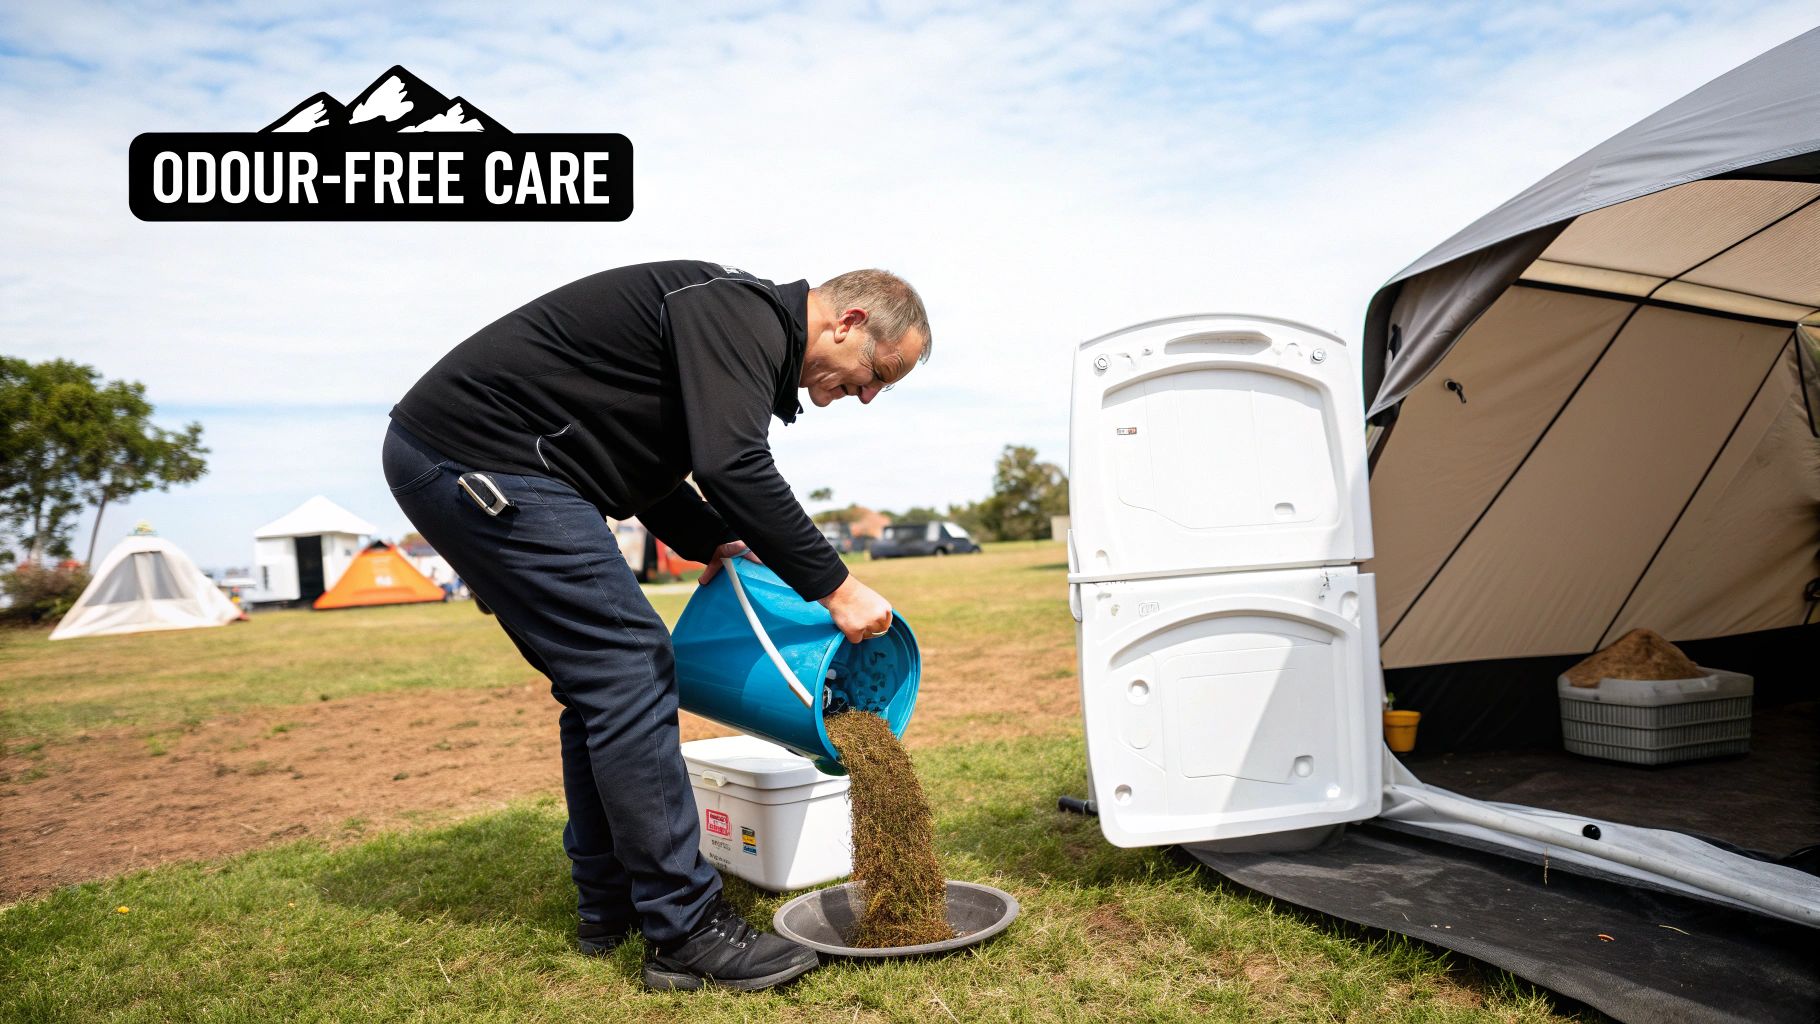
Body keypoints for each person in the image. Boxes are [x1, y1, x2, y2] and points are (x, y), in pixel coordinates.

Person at [381, 261, 931, 991]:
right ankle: (688, 933)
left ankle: (612, 908)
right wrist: (836, 587)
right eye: (876, 375)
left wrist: (712, 541)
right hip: (483, 459)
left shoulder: (732, 328)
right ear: (848, 323)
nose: (865, 396)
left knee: (601, 687)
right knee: (632, 668)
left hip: (496, 461)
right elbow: (731, 462)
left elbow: (652, 463)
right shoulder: (742, 316)